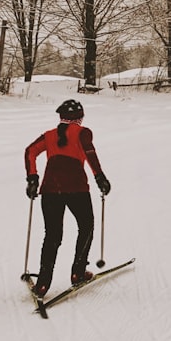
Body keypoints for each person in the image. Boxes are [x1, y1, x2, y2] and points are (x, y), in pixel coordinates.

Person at [24, 99, 111, 298]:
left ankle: (43, 284)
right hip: (76, 189)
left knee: (52, 235)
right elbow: (91, 154)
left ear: (61, 117)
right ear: (79, 118)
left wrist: (32, 179)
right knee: (86, 226)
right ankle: (78, 272)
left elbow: (30, 152)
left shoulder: (48, 135)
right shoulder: (83, 133)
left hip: (50, 190)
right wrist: (100, 178)